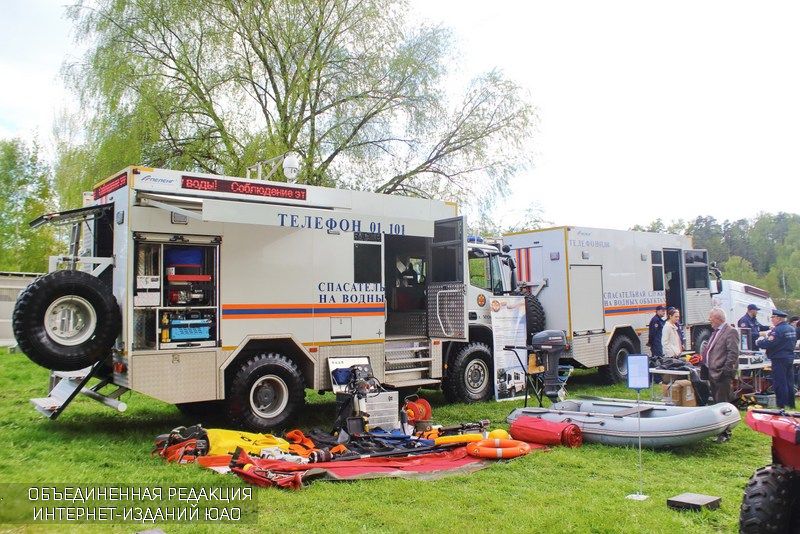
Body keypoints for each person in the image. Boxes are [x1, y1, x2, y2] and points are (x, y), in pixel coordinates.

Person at [756, 309, 797, 409]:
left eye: (773, 318)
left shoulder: (777, 330)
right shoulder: (791, 328)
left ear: (778, 318)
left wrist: (758, 342)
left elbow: (770, 343)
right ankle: (790, 404)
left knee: (780, 382)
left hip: (779, 358)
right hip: (789, 357)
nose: (771, 320)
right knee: (789, 382)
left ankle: (781, 405)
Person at [702, 308, 739, 404]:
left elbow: (733, 353)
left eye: (711, 317)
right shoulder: (716, 331)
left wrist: (726, 370)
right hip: (712, 373)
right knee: (716, 402)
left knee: (723, 403)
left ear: (718, 318)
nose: (709, 319)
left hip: (722, 374)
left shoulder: (731, 331)